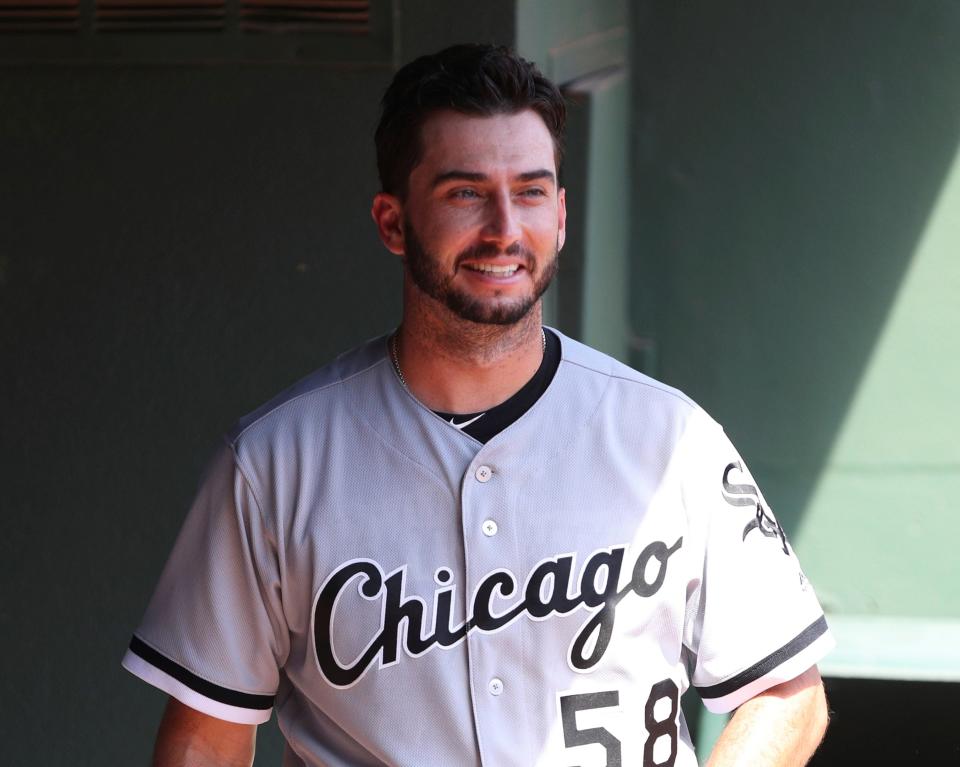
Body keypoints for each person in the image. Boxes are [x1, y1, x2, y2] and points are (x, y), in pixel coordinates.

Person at [124, 44, 833, 766]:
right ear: (392, 221)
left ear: (560, 215)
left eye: (530, 191)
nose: (504, 228)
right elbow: (205, 737)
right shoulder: (273, 465)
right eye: (466, 192)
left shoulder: (673, 438)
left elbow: (787, 693)